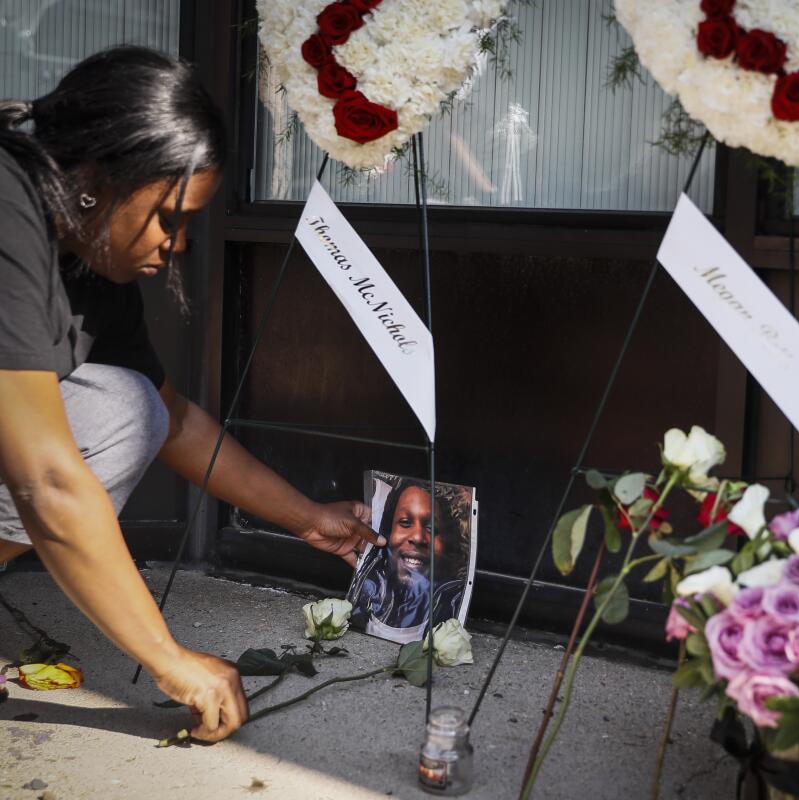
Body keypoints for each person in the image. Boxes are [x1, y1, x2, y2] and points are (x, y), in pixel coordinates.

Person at [0, 47, 385, 742]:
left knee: (127, 409)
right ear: (95, 178)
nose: (175, 247)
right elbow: (47, 482)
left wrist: (306, 521)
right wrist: (169, 660)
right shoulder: (6, 205)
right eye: (167, 218)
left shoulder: (84, 255)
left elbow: (173, 419)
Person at [347, 478, 468, 644]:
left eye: (431, 528)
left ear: (448, 544)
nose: (418, 537)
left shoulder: (447, 629)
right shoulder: (358, 611)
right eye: (405, 522)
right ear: (387, 532)